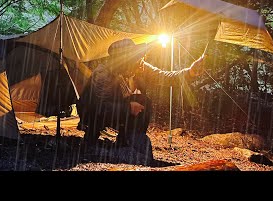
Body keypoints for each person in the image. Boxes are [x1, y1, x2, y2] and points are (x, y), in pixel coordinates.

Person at [77, 38, 206, 148]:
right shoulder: (103, 73)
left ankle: (128, 141)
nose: (140, 62)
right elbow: (100, 107)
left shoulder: (138, 66)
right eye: (136, 58)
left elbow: (163, 76)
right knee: (114, 110)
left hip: (112, 107)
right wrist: (127, 108)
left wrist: (190, 72)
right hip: (92, 112)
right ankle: (91, 138)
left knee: (143, 101)